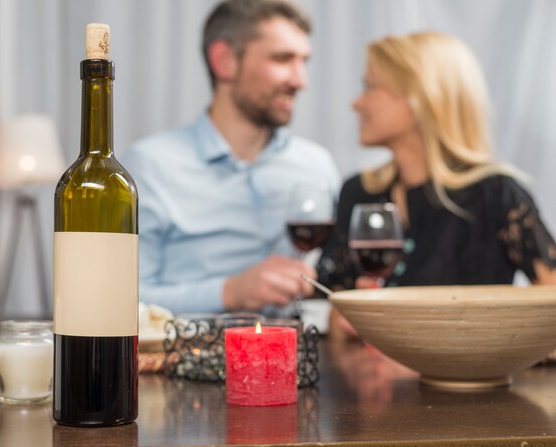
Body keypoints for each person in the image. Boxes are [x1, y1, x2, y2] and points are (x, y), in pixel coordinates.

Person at [317, 31, 556, 338]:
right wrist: (343, 321)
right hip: (367, 385)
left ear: (421, 97)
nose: (356, 103)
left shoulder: (495, 195)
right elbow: (329, 310)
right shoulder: (358, 192)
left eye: (371, 86)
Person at [122, 0, 340, 315]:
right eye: (282, 59)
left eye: (303, 61)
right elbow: (122, 302)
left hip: (297, 359)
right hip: (183, 361)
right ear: (224, 61)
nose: (300, 80)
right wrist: (230, 292)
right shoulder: (149, 168)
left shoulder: (316, 166)